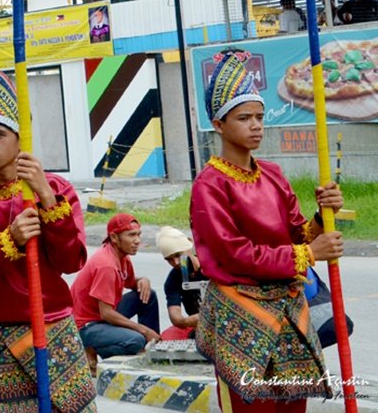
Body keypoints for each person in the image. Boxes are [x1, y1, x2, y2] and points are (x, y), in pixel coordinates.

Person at [191, 49, 343, 413]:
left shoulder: (272, 173)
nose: (256, 125)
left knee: (293, 406)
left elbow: (297, 233)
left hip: (288, 309)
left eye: (259, 116)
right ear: (219, 124)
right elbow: (233, 254)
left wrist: (323, 217)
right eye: (244, 118)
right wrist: (309, 255)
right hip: (241, 315)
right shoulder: (209, 185)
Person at [0, 70, 95, 413]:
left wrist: (46, 198)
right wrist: (8, 241)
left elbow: (71, 261)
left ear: (20, 137)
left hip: (49, 325)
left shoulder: (57, 189)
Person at [72, 213, 160, 364]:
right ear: (114, 238)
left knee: (148, 296)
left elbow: (131, 283)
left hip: (103, 315)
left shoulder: (123, 257)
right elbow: (106, 313)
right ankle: (90, 348)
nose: (137, 241)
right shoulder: (106, 265)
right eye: (131, 235)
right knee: (136, 340)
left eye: (139, 234)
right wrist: (143, 330)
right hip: (87, 325)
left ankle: (153, 347)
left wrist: (143, 280)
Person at [157, 226, 206, 341]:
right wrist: (186, 321)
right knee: (166, 337)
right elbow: (176, 318)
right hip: (198, 326)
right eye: (169, 259)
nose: (176, 262)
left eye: (178, 255)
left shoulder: (211, 266)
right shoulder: (173, 280)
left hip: (223, 321)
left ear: (189, 243)